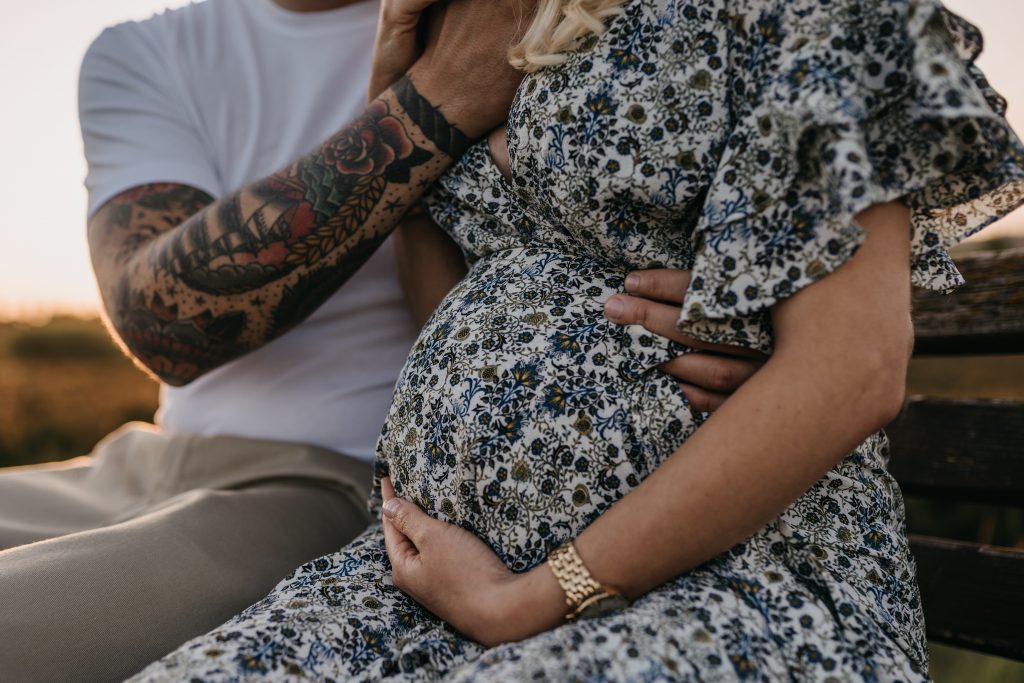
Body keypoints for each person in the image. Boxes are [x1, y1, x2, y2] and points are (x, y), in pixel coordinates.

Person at [131, 0, 1024, 680]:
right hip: (439, 578)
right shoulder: (487, 14)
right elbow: (462, 298)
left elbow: (852, 371)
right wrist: (398, 90)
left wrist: (529, 598)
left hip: (731, 579)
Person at [0, 1, 757, 681]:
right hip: (140, 458)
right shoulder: (143, 50)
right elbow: (164, 322)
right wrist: (436, 95)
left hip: (337, 483)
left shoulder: (522, 13)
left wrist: (752, 313)